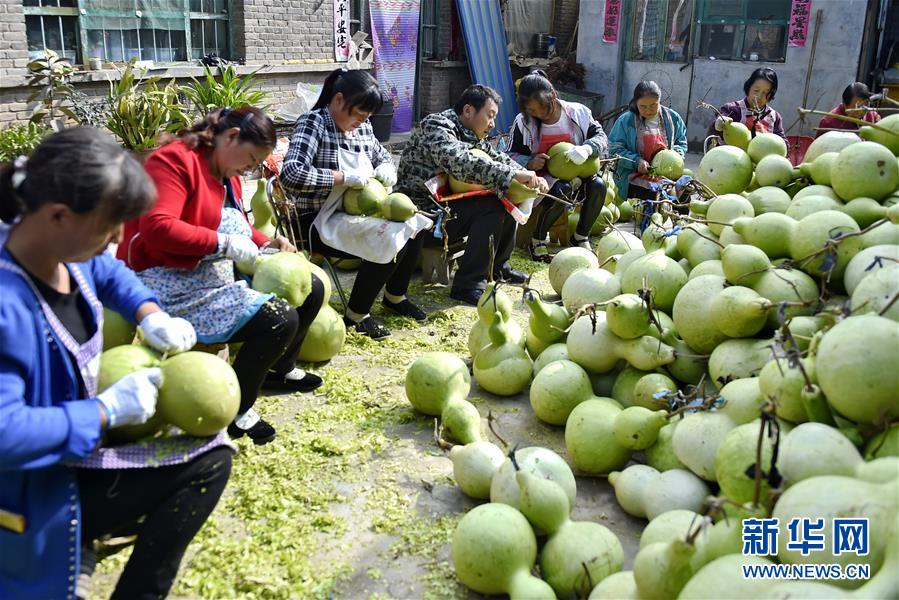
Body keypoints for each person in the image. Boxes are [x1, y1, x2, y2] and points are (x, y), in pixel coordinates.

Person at [0, 127, 232, 599]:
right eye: (109, 226)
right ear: (59, 215)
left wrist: (150, 314)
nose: (119, 238)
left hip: (70, 448)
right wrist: (103, 413)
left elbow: (109, 273)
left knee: (212, 446)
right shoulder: (7, 307)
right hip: (27, 488)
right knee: (206, 467)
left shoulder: (63, 251)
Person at [119, 106, 325, 445]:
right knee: (279, 320)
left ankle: (280, 368)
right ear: (231, 137)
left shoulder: (227, 173)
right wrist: (223, 243)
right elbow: (158, 228)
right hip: (169, 277)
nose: (251, 168)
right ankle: (237, 410)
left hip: (214, 266)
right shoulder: (173, 161)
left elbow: (237, 223)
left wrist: (266, 242)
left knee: (312, 289)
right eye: (252, 158)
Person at [280, 68, 424, 340]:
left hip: (354, 214)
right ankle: (357, 314)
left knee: (415, 225)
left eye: (367, 116)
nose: (362, 121)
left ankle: (395, 296)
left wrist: (386, 168)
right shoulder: (313, 123)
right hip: (314, 219)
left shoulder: (363, 128)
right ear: (338, 100)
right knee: (388, 236)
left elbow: (382, 156)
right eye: (358, 113)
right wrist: (342, 177)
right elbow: (291, 173)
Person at [395, 84, 548, 306]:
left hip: (445, 210)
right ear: (468, 111)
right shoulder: (437, 126)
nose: (492, 123)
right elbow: (460, 162)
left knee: (505, 196)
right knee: (491, 207)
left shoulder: (472, 135)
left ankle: (498, 268)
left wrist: (529, 176)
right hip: (423, 216)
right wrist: (513, 174)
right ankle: (468, 285)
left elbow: (498, 158)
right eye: (490, 115)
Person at [508, 70, 609, 262]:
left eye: (543, 108)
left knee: (598, 185)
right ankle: (537, 240)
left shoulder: (578, 113)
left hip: (579, 173)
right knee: (562, 188)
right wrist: (529, 162)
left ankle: (580, 236)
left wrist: (587, 148)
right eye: (532, 111)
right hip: (541, 181)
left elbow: (601, 137)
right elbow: (508, 155)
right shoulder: (522, 123)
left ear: (553, 95)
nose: (539, 115)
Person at [608, 81, 688, 203]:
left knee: (686, 189)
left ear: (659, 101)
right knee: (656, 194)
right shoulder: (626, 121)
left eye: (653, 105)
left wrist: (676, 156)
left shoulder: (672, 118)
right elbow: (614, 150)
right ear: (636, 103)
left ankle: (679, 216)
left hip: (667, 174)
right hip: (634, 175)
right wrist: (636, 162)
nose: (648, 110)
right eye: (643, 107)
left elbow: (681, 141)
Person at [709, 67, 786, 141]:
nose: (759, 96)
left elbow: (783, 142)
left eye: (765, 92)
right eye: (756, 90)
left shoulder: (774, 117)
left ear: (771, 94)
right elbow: (714, 133)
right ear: (748, 87)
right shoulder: (732, 109)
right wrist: (718, 124)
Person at [817, 82, 881, 136]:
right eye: (856, 108)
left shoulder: (873, 116)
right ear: (845, 105)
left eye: (864, 107)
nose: (860, 112)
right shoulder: (828, 123)